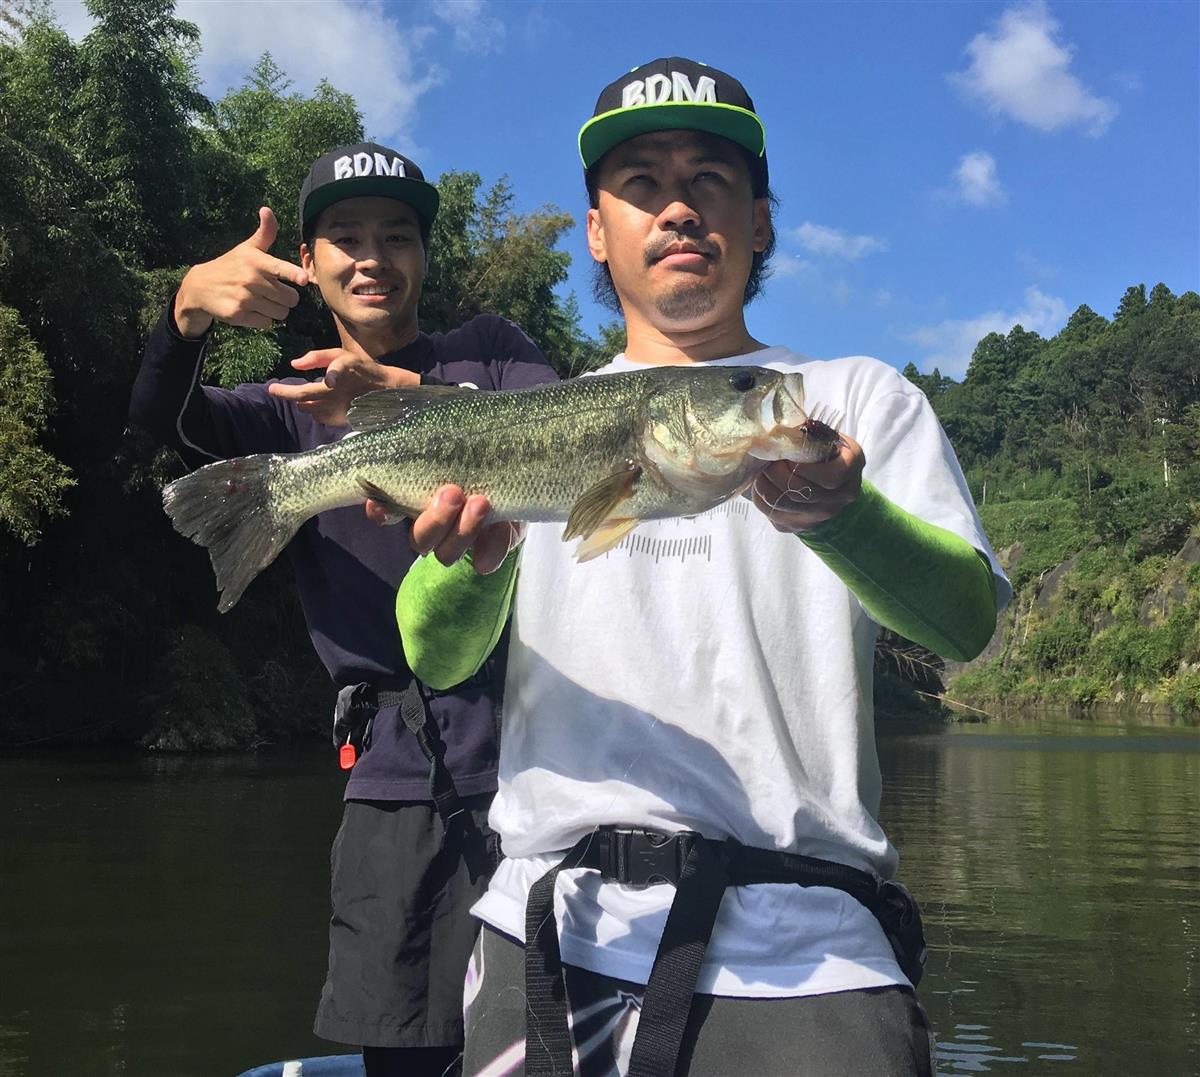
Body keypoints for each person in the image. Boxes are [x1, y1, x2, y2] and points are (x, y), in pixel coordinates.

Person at [393, 57, 1011, 1077]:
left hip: (812, 954)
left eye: (710, 182)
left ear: (760, 222)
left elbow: (963, 625)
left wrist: (845, 518)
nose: (678, 207)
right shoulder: (535, 421)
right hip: (551, 931)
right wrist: (475, 562)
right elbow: (438, 658)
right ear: (598, 231)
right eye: (642, 184)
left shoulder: (858, 399)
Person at [128, 141, 557, 1077]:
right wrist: (184, 312)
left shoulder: (496, 352)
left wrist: (411, 398)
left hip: (544, 769)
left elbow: (562, 438)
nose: (373, 255)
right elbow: (161, 418)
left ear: (425, 259)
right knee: (404, 1057)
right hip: (398, 780)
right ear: (310, 263)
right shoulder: (289, 406)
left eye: (397, 236)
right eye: (346, 237)